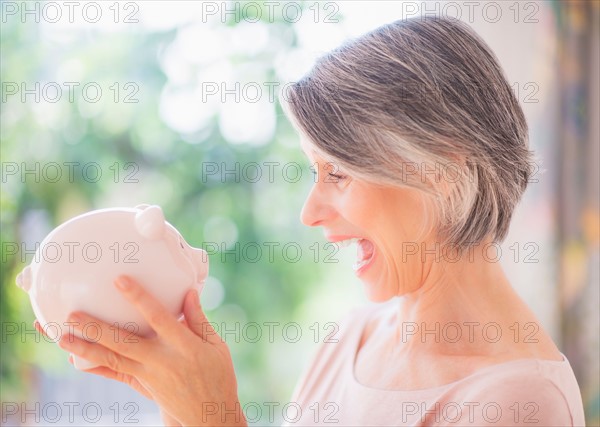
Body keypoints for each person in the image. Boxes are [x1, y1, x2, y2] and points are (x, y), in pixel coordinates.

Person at [45, 16, 585, 426]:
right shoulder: (352, 337)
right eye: (313, 171)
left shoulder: (518, 402)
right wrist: (183, 398)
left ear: (441, 166)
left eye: (339, 173)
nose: (310, 212)